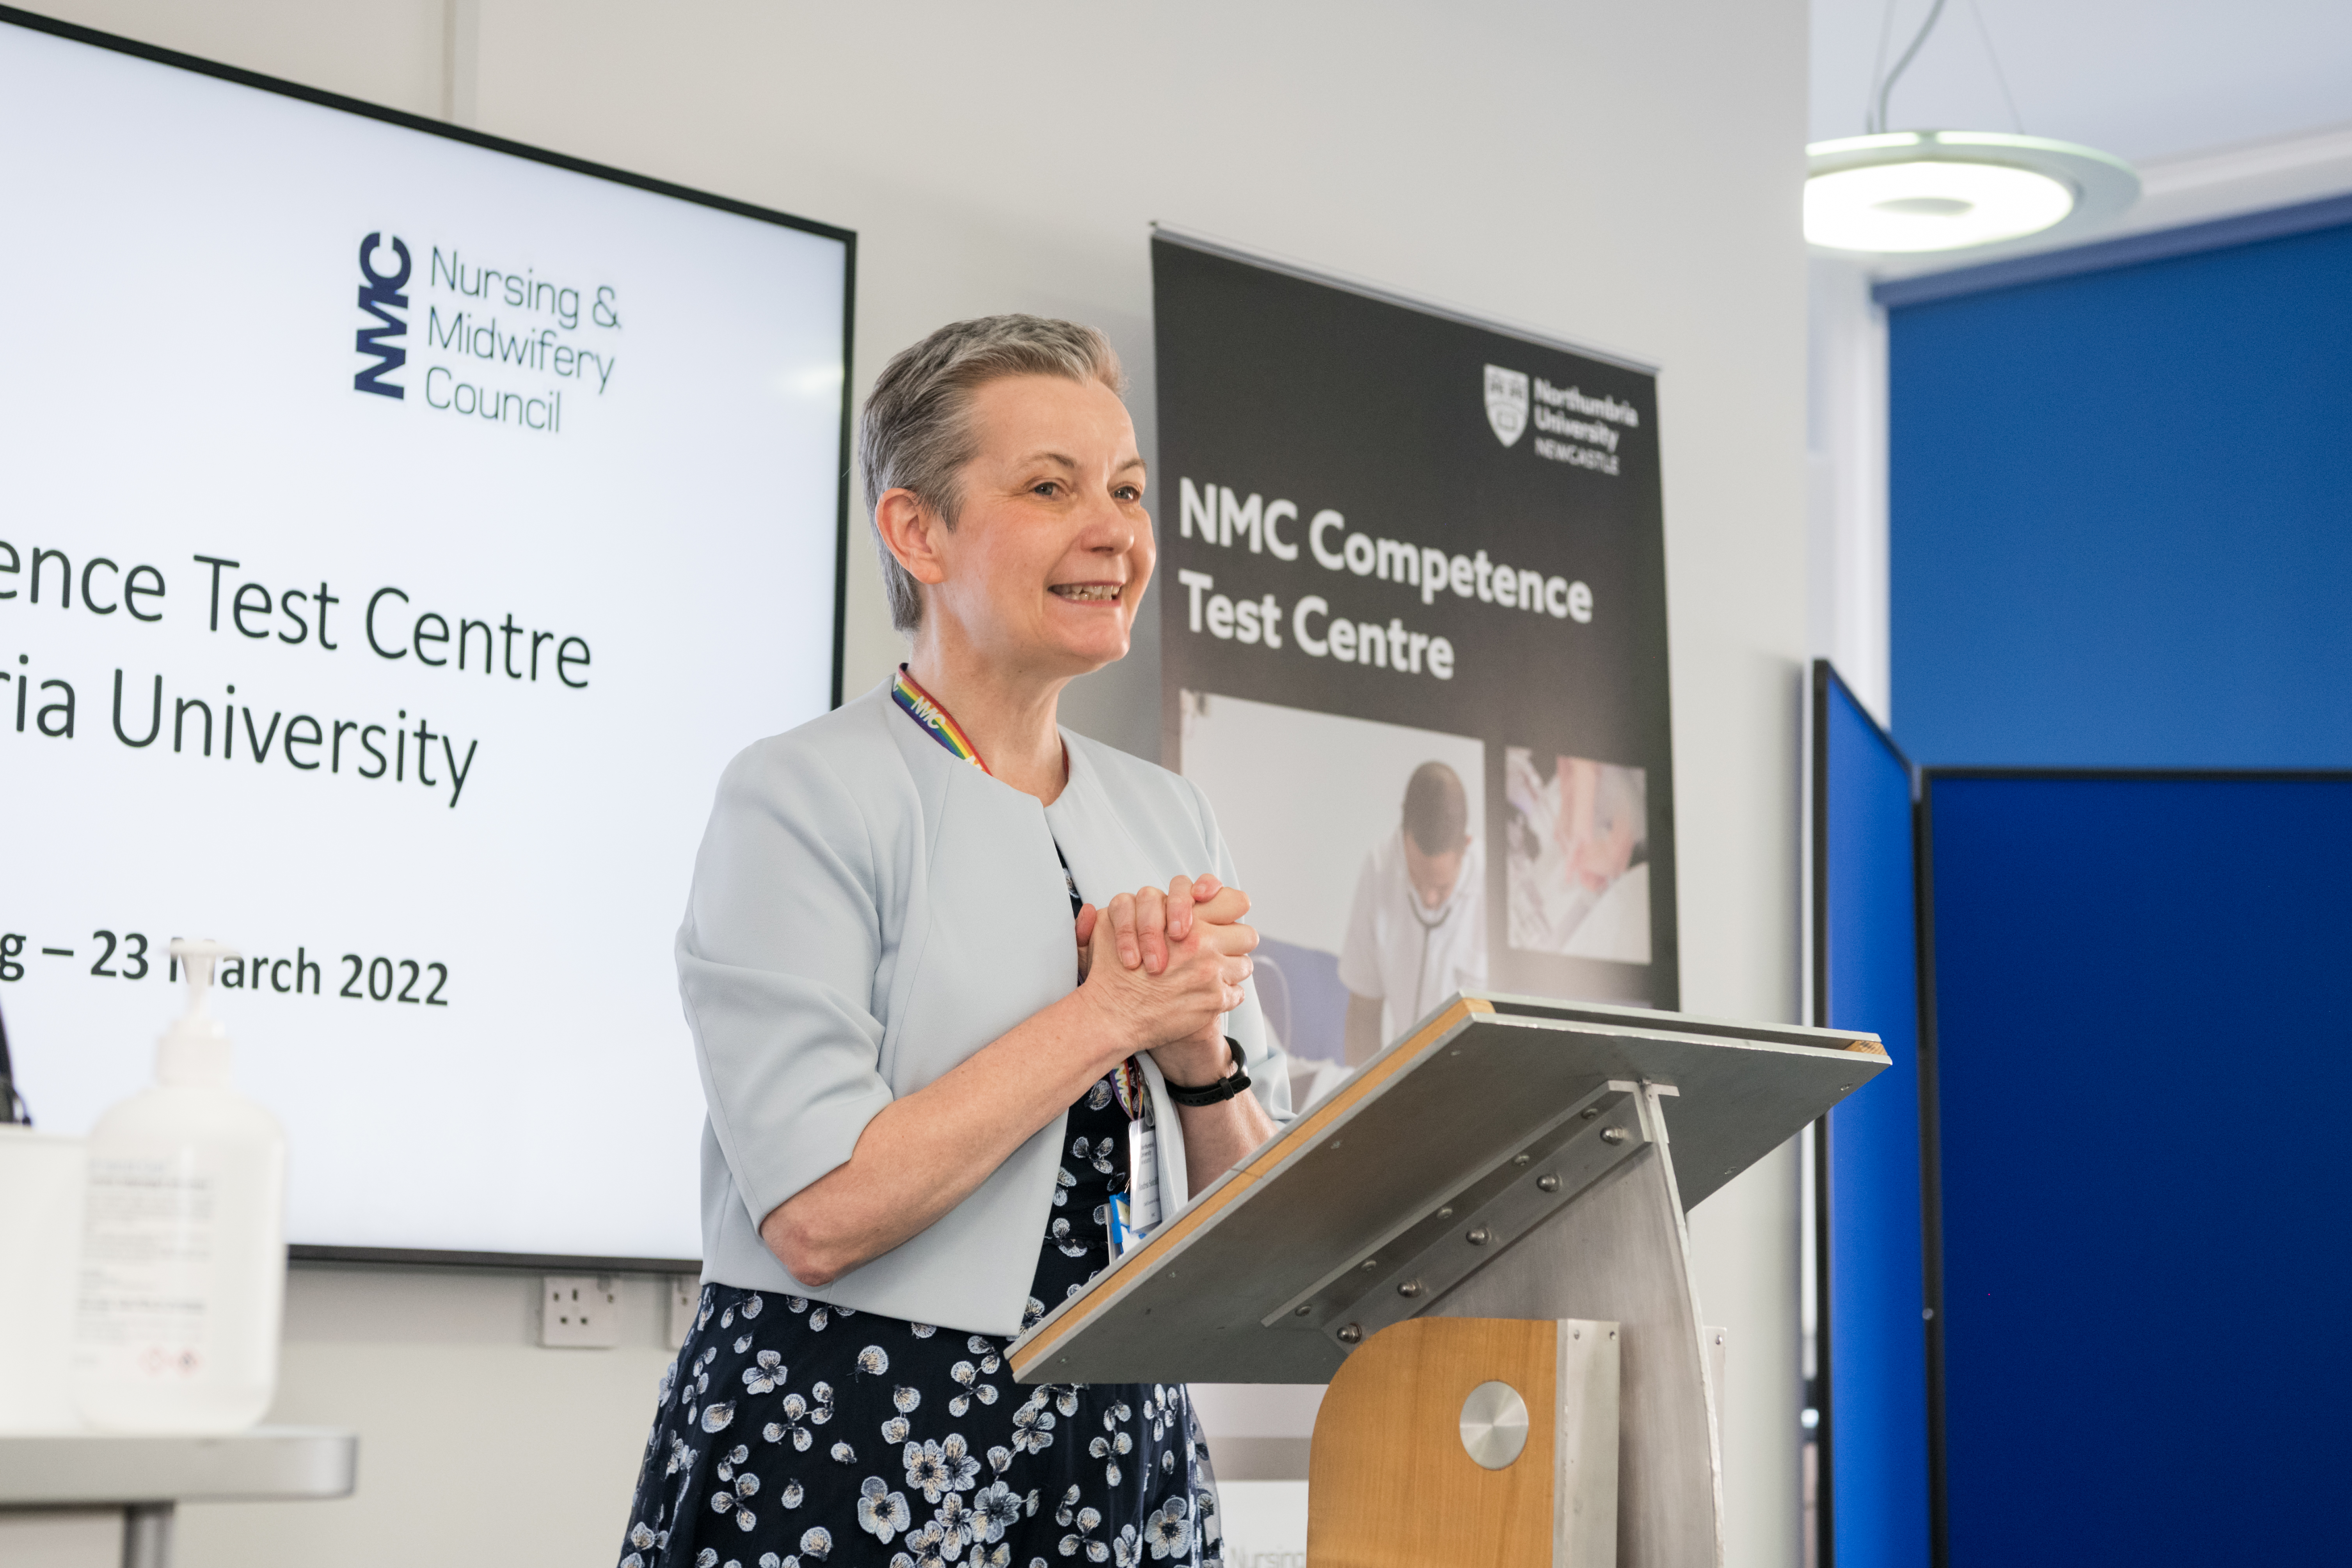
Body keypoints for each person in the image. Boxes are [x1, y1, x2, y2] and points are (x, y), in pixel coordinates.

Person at [617, 317, 1287, 1568]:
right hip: (849, 1437)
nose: (1116, 530)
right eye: (1050, 487)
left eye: (1127, 490)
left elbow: (1261, 1253)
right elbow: (818, 1211)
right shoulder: (799, 794)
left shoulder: (1169, 816)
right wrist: (1107, 1016)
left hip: (1118, 1451)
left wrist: (1199, 1053)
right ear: (915, 532)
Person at [1337, 761, 1487, 1065]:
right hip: (1406, 1074)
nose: (1428, 899)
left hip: (1479, 1075)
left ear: (1466, 846)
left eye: (1442, 888)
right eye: (1417, 880)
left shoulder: (1495, 887)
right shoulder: (1380, 867)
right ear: (1403, 837)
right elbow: (1363, 1013)